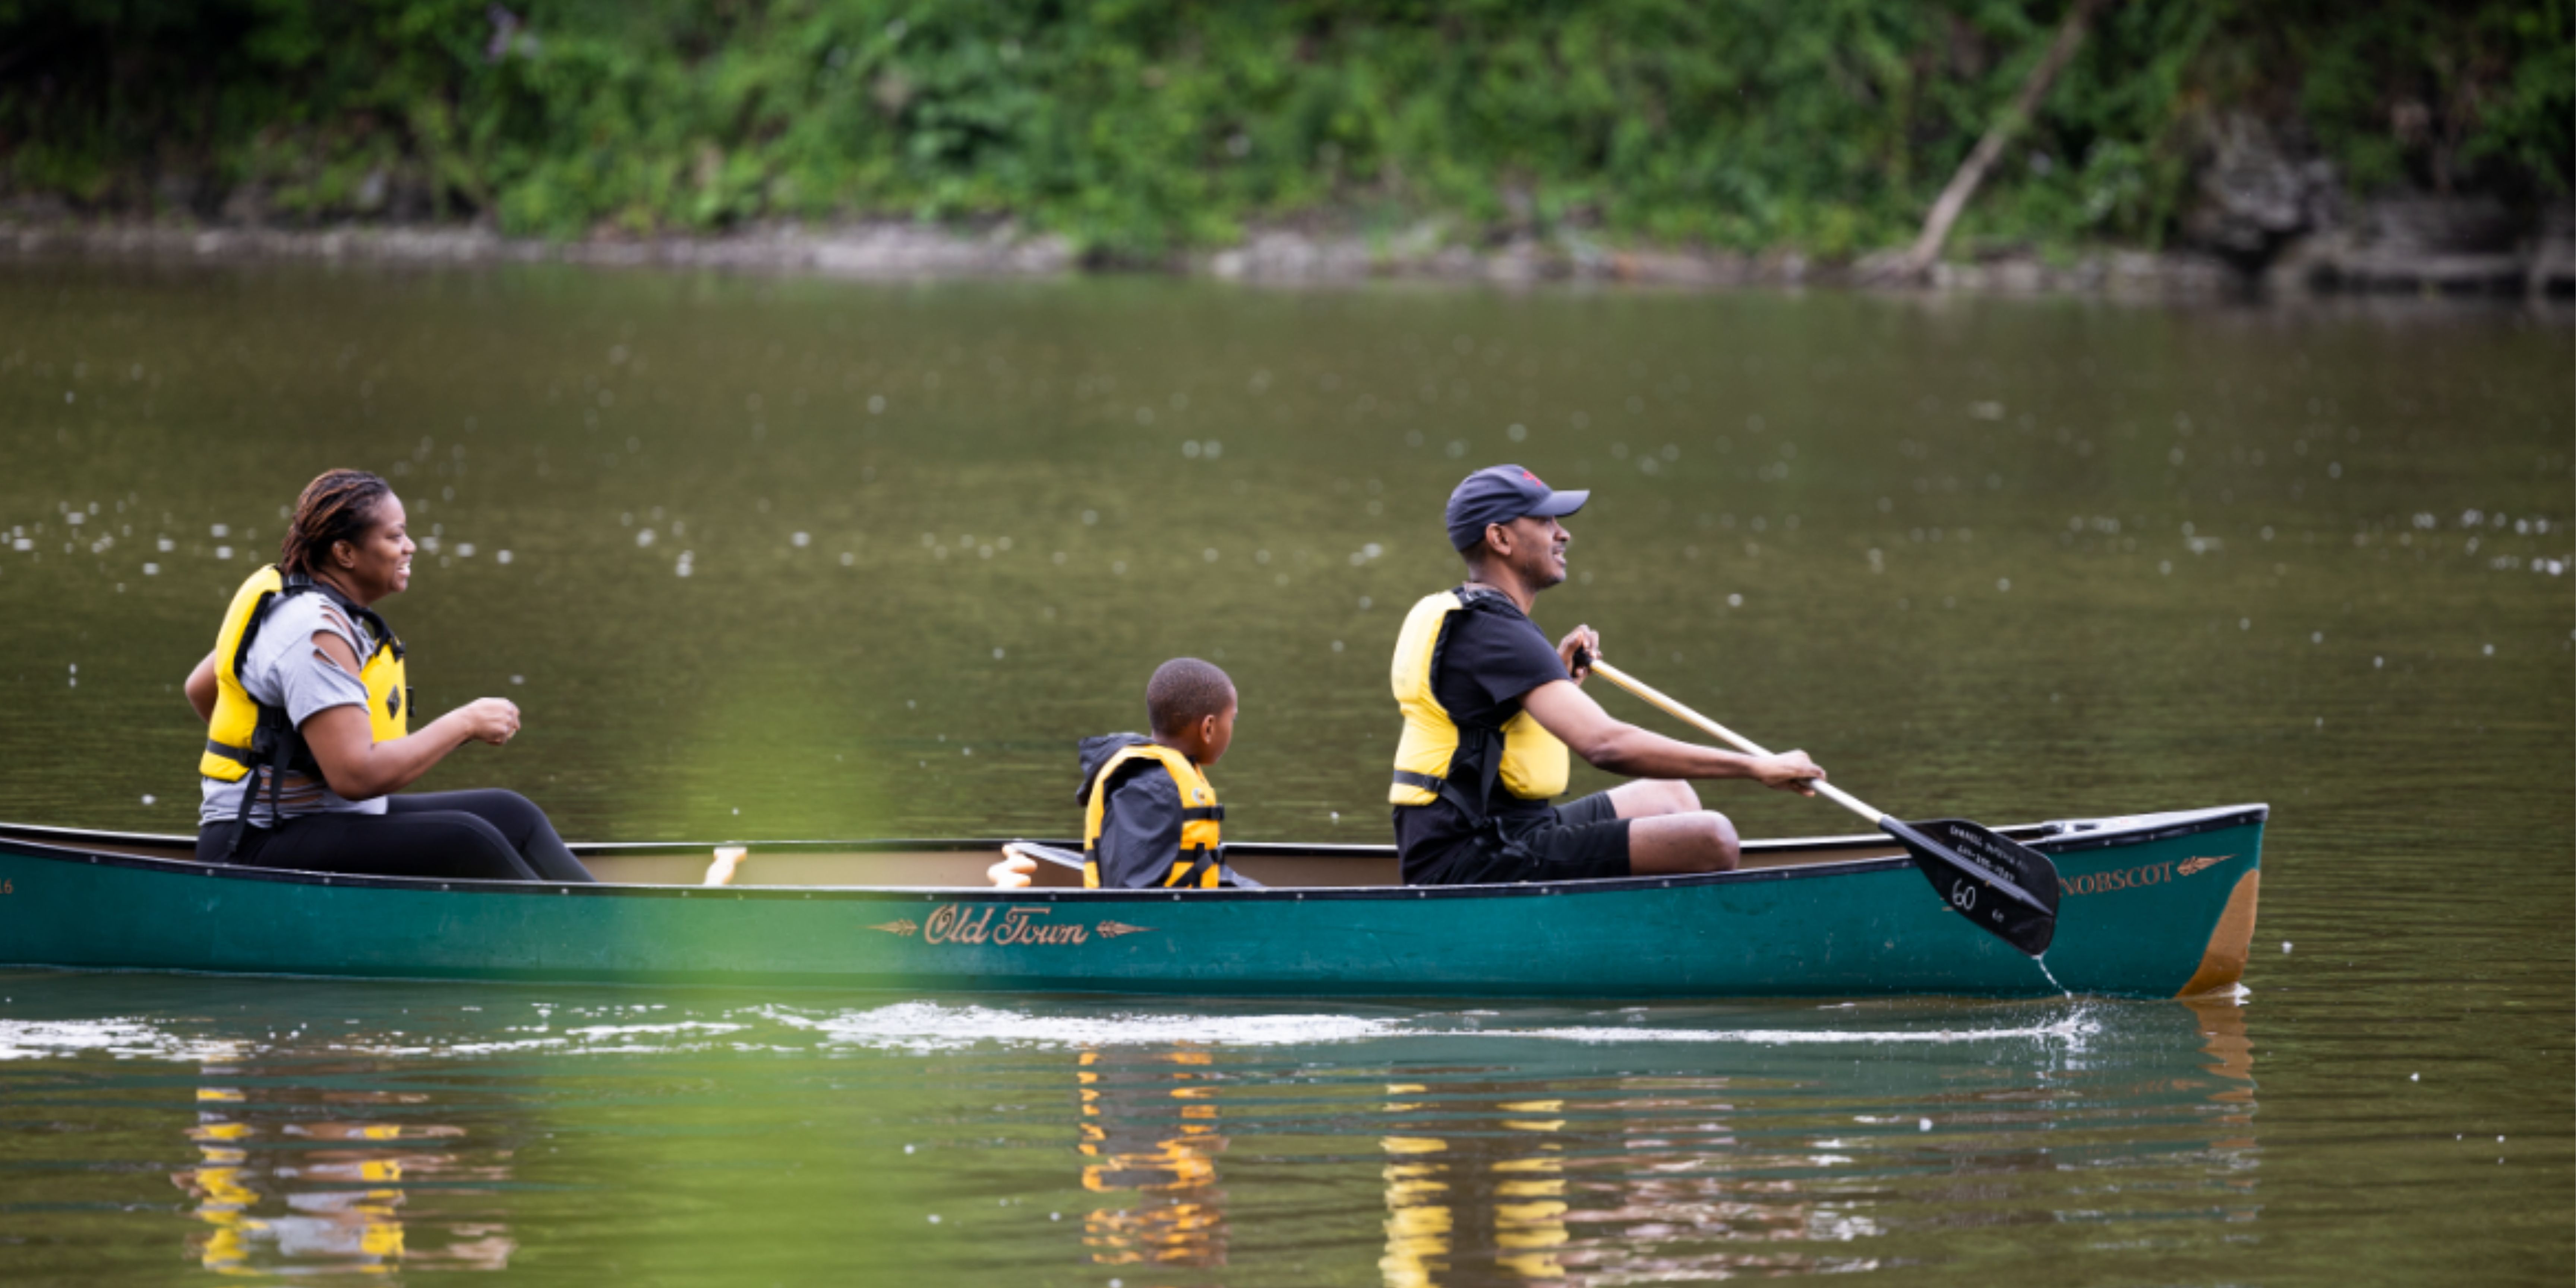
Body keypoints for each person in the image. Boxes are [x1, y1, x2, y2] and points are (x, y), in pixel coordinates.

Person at [1389, 464, 1825, 886]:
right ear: (1500, 538)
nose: (1563, 533)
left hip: (1507, 828)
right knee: (1713, 838)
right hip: (1471, 857)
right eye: (1544, 521)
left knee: (1671, 795)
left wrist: (1557, 675)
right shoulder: (1495, 632)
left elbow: (1484, 717)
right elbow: (1605, 746)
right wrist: (1756, 767)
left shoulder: (1474, 616)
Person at [184, 468, 593, 883]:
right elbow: (356, 775)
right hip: (252, 844)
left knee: (511, 815)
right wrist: (464, 723)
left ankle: (607, 927)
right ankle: (582, 944)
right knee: (466, 841)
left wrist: (288, 752)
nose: (410, 547)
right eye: (395, 537)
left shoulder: (292, 596)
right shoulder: (314, 632)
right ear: (345, 553)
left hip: (309, 821)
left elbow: (202, 687)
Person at [1075, 657, 1255, 889]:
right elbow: (1134, 897)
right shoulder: (1151, 788)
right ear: (1208, 728)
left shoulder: (1166, 780)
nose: (1232, 728)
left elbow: (1200, 868)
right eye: (1233, 719)